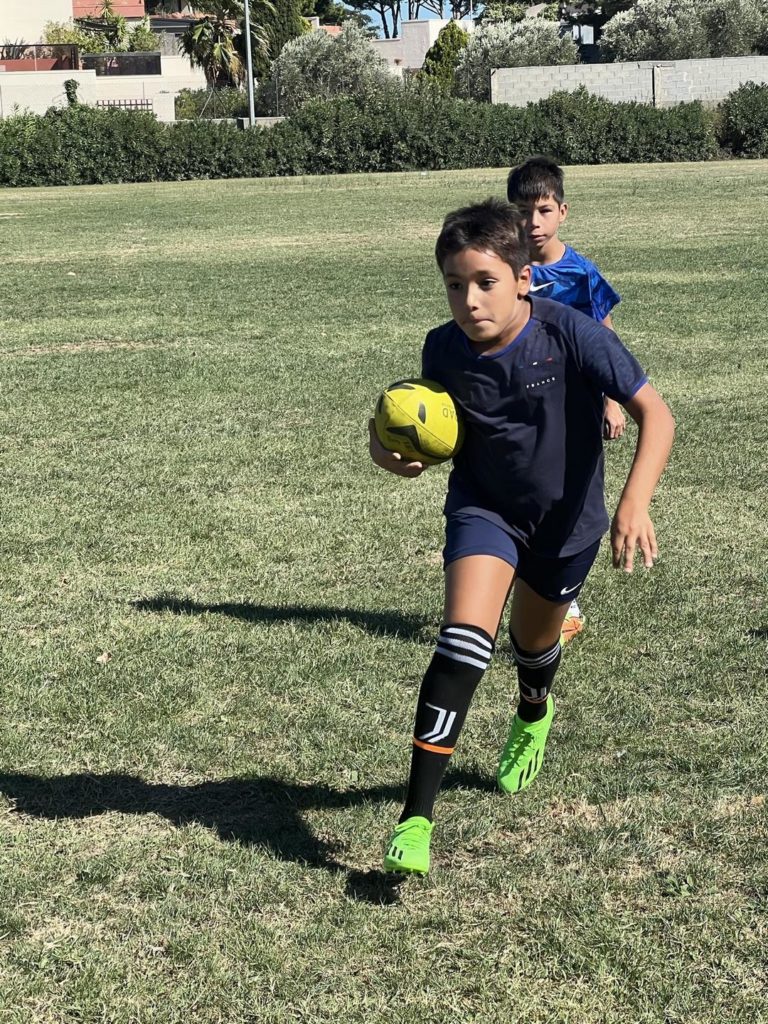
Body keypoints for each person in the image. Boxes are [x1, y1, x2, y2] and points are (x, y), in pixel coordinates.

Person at [368, 198, 675, 877]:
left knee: (533, 647)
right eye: (454, 284)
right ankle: (415, 819)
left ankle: (533, 712)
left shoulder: (570, 335)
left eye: (484, 282)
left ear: (523, 279)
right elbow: (408, 424)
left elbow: (655, 414)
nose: (469, 300)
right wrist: (386, 451)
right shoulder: (441, 348)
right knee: (462, 644)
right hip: (485, 512)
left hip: (567, 525)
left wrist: (634, 503)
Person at [507, 155, 626, 641]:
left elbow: (605, 335)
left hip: (573, 408)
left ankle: (566, 601)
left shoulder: (581, 273)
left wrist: (612, 401)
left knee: (569, 500)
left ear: (562, 212)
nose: (532, 222)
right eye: (522, 211)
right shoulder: (505, 266)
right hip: (520, 405)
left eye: (543, 210)